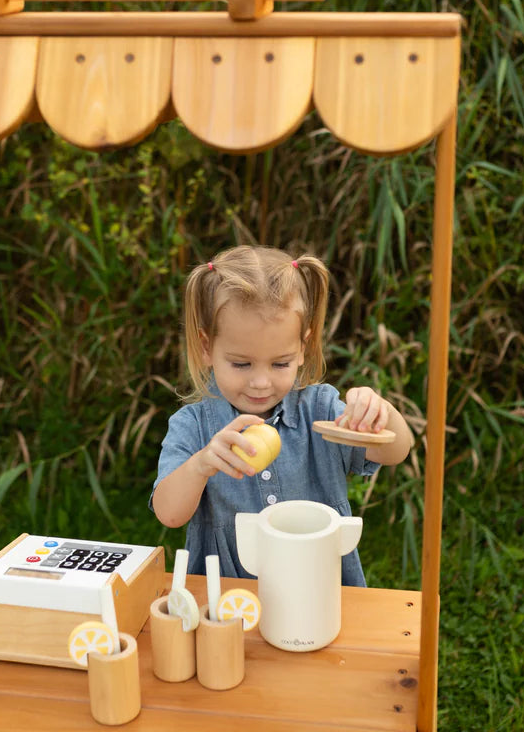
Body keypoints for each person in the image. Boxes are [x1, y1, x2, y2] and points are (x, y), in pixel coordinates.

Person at [150, 245, 414, 587]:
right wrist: (202, 464)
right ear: (205, 347)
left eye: (280, 363)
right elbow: (169, 514)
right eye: (241, 363)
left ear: (303, 348)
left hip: (318, 589)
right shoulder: (194, 427)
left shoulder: (321, 411)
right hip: (229, 597)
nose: (261, 382)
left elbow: (396, 451)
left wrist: (381, 415)